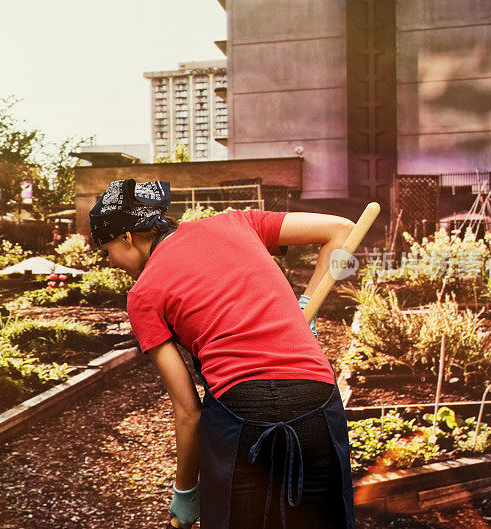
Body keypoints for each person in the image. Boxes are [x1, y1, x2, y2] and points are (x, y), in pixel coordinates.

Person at [89, 179, 356, 529]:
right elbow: (342, 230)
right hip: (314, 396)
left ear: (126, 236)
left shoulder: (142, 295)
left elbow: (188, 411)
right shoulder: (235, 222)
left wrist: (186, 490)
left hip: (239, 410)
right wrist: (307, 304)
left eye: (107, 251)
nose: (112, 263)